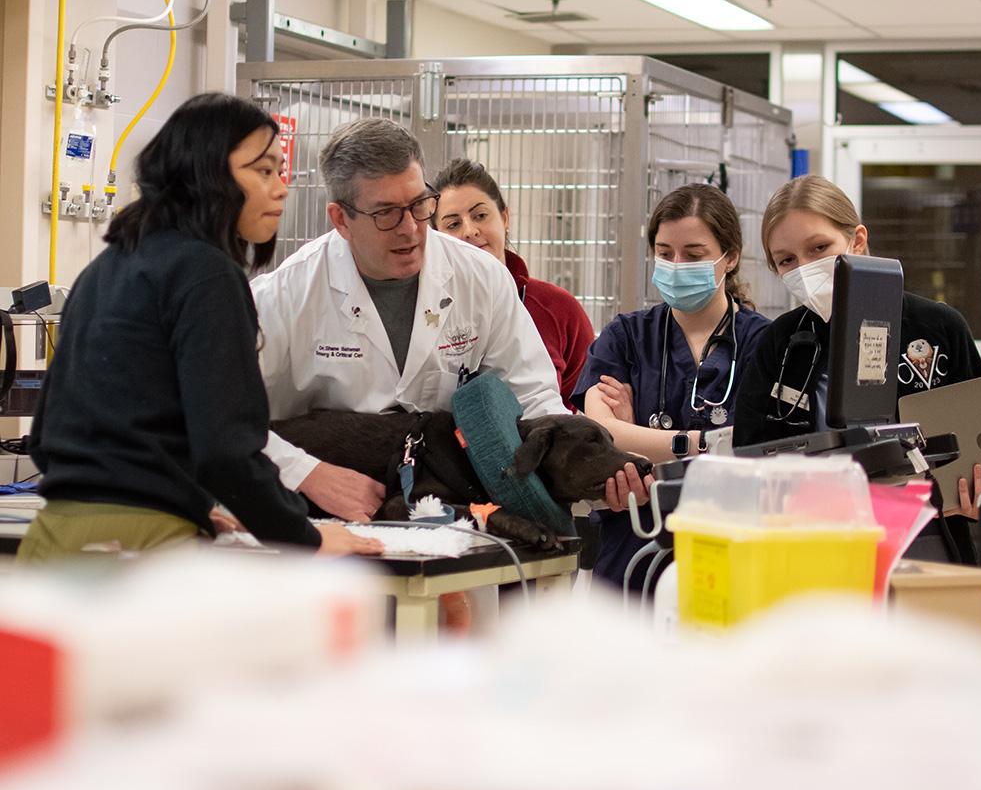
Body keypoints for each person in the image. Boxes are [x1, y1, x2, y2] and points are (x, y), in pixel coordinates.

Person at [21, 93, 382, 562]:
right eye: (263, 171)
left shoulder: (107, 266)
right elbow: (227, 451)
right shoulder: (207, 273)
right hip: (137, 550)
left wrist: (184, 503)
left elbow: (45, 436)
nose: (281, 189)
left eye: (281, 171)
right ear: (205, 172)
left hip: (53, 538)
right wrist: (306, 537)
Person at [252, 117, 649, 523]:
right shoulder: (283, 296)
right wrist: (305, 472)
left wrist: (596, 472)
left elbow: (532, 401)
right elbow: (225, 419)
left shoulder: (480, 277)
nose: (410, 229)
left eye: (419, 205)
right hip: (317, 516)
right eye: (386, 213)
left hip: (452, 513)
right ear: (341, 219)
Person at [732, 174, 981, 563]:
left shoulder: (938, 327)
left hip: (928, 539)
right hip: (812, 543)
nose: (805, 268)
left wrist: (980, 494)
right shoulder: (782, 342)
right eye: (787, 260)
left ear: (857, 240)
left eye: (819, 248)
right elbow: (746, 457)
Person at [571, 183, 771, 587]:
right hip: (630, 553)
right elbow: (602, 434)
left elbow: (755, 451)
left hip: (732, 551)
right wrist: (705, 443)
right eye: (665, 254)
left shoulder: (763, 342)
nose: (677, 266)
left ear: (730, 257)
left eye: (694, 255)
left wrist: (640, 440)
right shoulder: (625, 337)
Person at [431, 158, 594, 409]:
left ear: (505, 217)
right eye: (453, 224)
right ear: (436, 236)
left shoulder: (559, 309)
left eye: (480, 215)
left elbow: (582, 407)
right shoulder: (429, 311)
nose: (470, 231)